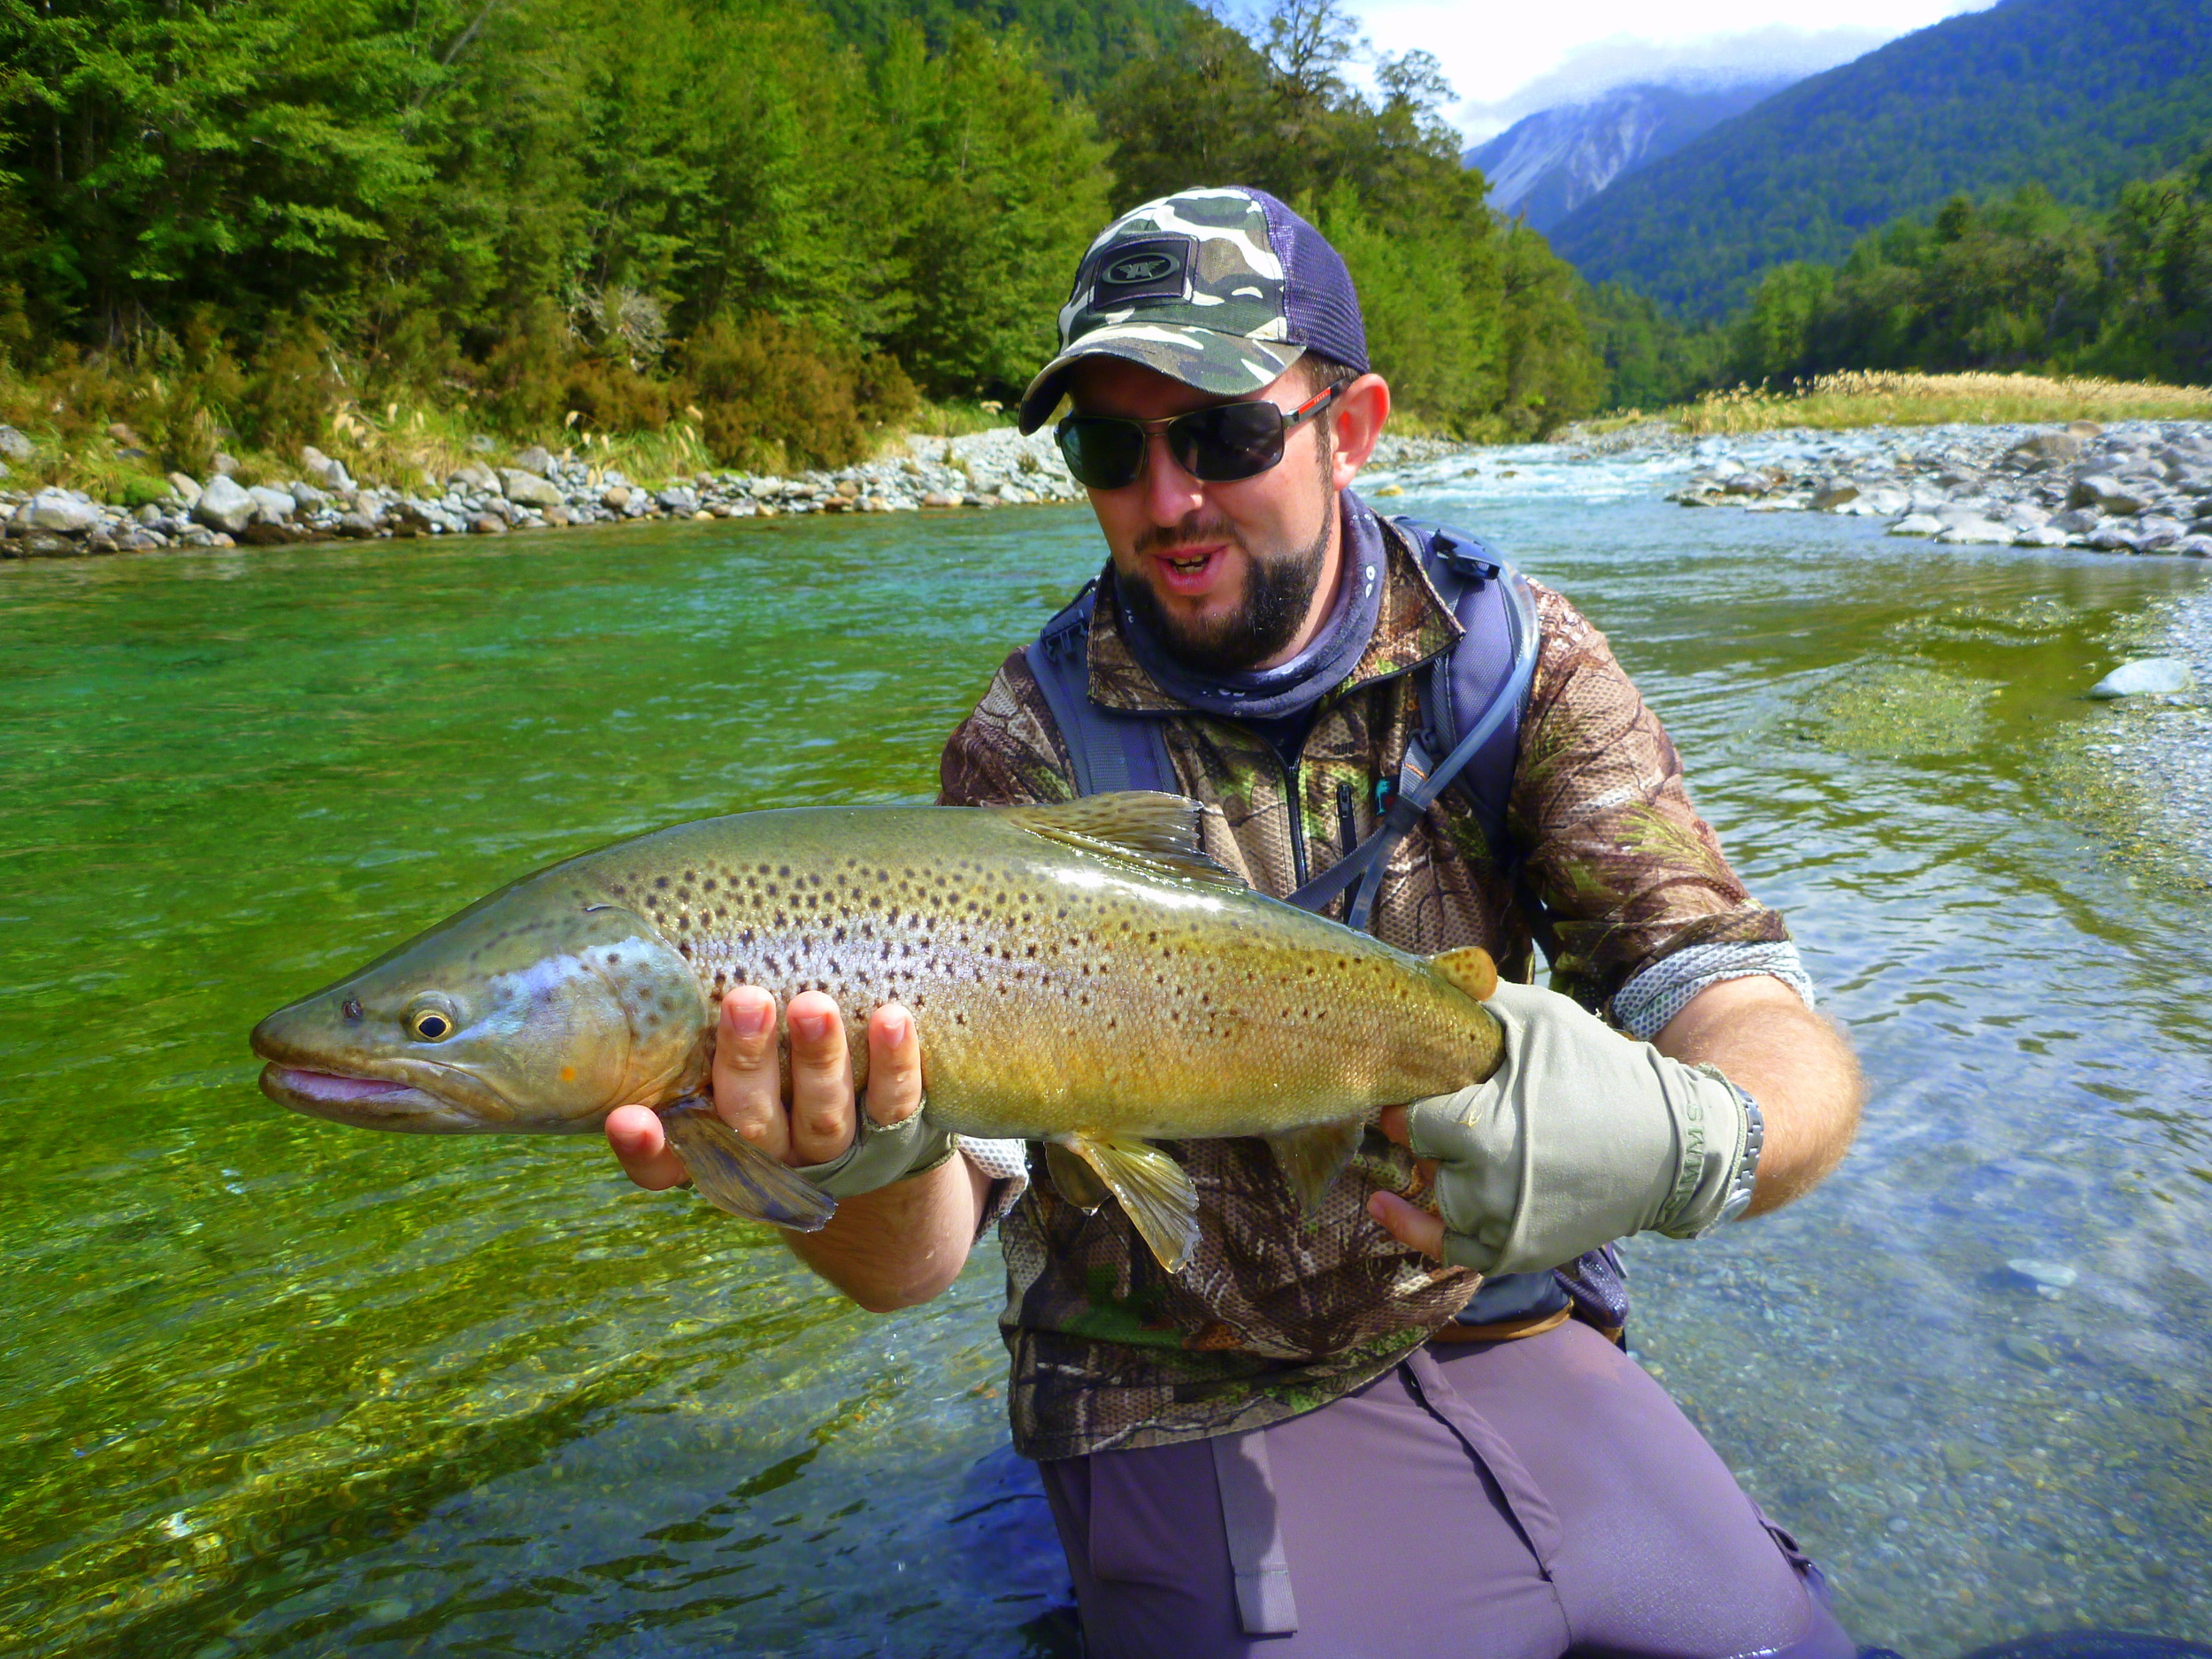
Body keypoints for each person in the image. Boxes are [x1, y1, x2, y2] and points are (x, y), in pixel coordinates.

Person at [606, 187, 1866, 1657]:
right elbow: (920, 1259)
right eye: (1107, 447)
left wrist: (1698, 1139)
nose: (1166, 498)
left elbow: (1745, 1007)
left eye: (1224, 434)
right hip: (1171, 1385)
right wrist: (861, 1159)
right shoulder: (1026, 748)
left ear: (1354, 425)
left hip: (1492, 1314)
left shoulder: (1511, 663)